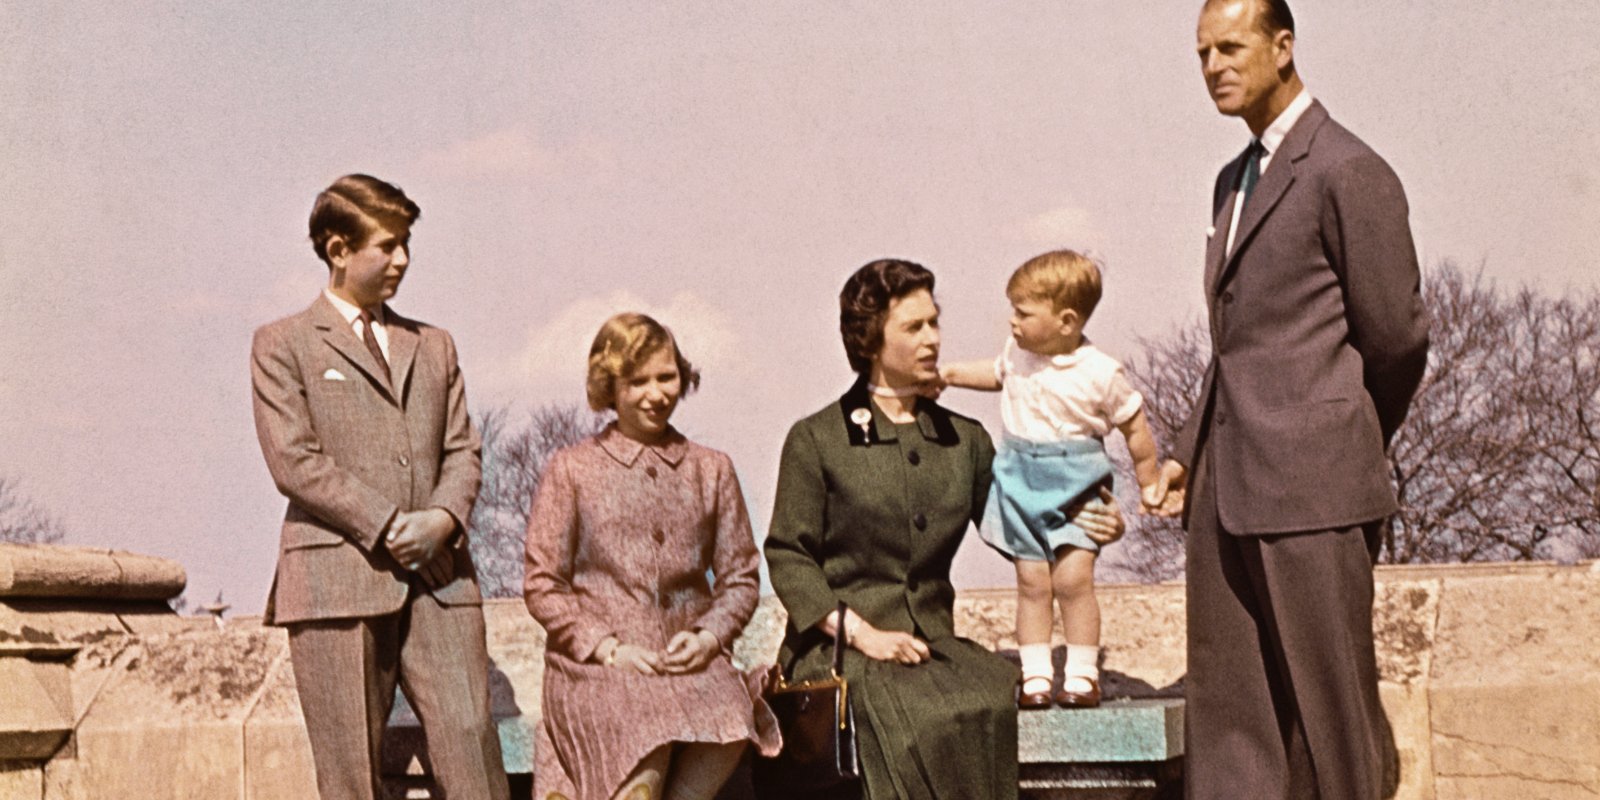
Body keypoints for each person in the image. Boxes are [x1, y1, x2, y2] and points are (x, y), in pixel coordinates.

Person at [1146, 2, 1431, 797]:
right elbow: (1239, 345)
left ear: (1283, 46)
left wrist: (1333, 434)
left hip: (1315, 493)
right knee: (1237, 736)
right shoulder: (1229, 183)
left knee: (1334, 733)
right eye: (1201, 53)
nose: (1213, 67)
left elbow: (1396, 340)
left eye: (1230, 47)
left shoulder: (1349, 169)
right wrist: (1186, 450)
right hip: (1226, 493)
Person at [764, 259, 1126, 800]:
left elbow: (1021, 527)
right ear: (868, 339)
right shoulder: (817, 439)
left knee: (989, 697)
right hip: (841, 654)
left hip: (933, 652)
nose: (933, 338)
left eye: (934, 322)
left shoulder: (965, 440)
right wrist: (866, 634)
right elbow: (788, 557)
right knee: (925, 714)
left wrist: (1085, 525)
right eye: (914, 327)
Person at [251, 174, 509, 800]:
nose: (402, 261)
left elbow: (462, 449)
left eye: (406, 245)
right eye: (387, 246)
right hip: (335, 583)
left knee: (474, 750)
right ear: (338, 249)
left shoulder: (435, 345)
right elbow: (295, 461)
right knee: (350, 776)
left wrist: (443, 519)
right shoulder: (281, 344)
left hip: (441, 578)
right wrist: (393, 526)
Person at [523, 313, 780, 800]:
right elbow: (542, 584)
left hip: (692, 666)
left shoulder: (712, 469)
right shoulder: (572, 470)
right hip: (597, 670)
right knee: (645, 742)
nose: (656, 393)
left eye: (667, 377)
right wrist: (608, 647)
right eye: (637, 381)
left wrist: (708, 638)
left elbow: (742, 578)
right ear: (610, 388)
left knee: (730, 715)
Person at [940, 250, 1163, 710]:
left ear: (1066, 321)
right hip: (1020, 481)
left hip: (1077, 487)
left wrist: (1150, 483)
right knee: (1032, 582)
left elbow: (1135, 427)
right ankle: (1036, 674)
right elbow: (994, 373)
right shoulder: (1017, 356)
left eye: (1023, 313)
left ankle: (1081, 674)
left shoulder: (1100, 372)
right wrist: (950, 375)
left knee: (1074, 581)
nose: (1012, 322)